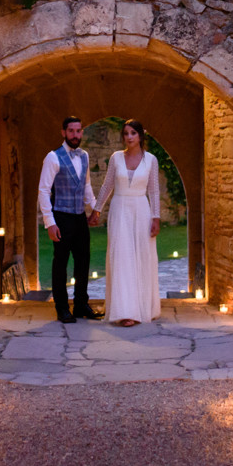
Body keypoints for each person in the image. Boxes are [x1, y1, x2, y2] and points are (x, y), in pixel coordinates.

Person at [89, 119, 161, 327]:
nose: (129, 137)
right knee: (122, 258)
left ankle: (142, 308)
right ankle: (125, 311)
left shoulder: (151, 160)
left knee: (142, 258)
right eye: (126, 133)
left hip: (141, 210)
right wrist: (96, 209)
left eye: (133, 133)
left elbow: (154, 191)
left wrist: (156, 217)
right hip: (119, 210)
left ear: (140, 135)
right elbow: (107, 185)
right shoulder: (116, 158)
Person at [37, 115, 102, 323]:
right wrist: (50, 222)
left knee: (83, 262)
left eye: (78, 131)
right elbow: (43, 191)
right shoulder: (53, 157)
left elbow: (87, 185)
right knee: (60, 263)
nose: (75, 135)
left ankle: (81, 304)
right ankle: (62, 308)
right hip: (61, 216)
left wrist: (95, 209)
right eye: (71, 131)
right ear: (63, 132)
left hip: (79, 217)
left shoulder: (84, 156)